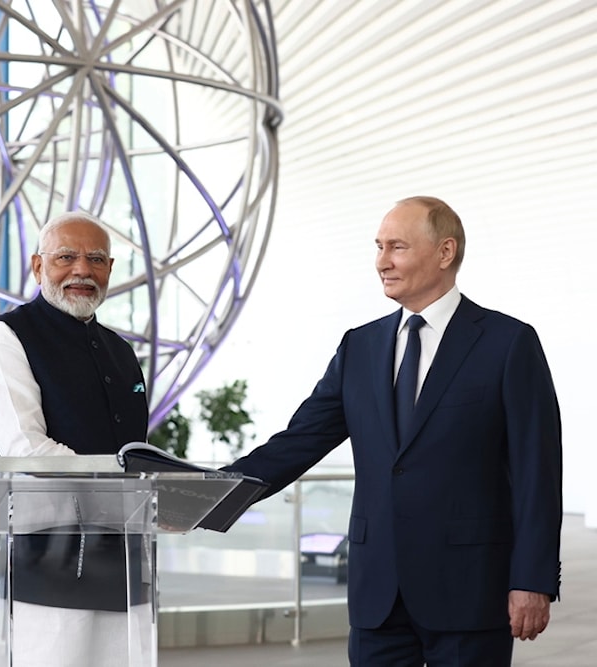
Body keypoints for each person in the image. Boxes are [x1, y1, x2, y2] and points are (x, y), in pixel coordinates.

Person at [225, 196, 562, 666]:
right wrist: (212, 492)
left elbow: (537, 472)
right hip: (377, 593)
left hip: (469, 589)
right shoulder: (359, 346)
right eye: (379, 247)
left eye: (397, 247)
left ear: (445, 252)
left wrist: (532, 578)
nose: (382, 261)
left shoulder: (508, 344)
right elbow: (299, 440)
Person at [0, 211, 150, 667]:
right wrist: (115, 488)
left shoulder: (120, 350)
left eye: (96, 259)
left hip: (116, 557)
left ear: (110, 270)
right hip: (30, 559)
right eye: (66, 256)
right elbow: (24, 448)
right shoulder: (6, 337)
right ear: (37, 266)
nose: (82, 270)